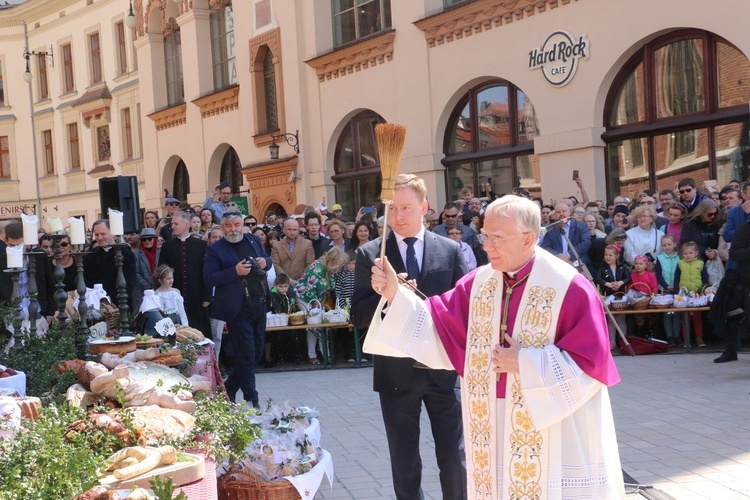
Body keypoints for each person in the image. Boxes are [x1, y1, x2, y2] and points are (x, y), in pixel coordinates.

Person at [367, 194, 625, 499]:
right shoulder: (479, 283)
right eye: (485, 236)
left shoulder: (569, 287)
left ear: (528, 239)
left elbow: (591, 366)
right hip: (488, 417)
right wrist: (397, 294)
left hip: (548, 424)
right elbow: (437, 322)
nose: (487, 246)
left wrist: (527, 362)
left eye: (497, 238)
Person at [352, 174, 468, 500]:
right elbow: (358, 318)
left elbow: (465, 310)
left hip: (443, 372)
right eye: (392, 209)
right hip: (395, 374)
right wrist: (384, 296)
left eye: (406, 208)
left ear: (425, 208)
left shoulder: (451, 250)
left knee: (454, 457)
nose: (398, 217)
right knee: (405, 462)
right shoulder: (371, 255)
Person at [203, 211, 271, 407]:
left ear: (242, 225)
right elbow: (209, 278)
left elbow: (268, 260)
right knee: (246, 355)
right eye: (228, 226)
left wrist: (265, 262)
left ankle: (230, 387)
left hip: (259, 303)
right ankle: (252, 400)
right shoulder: (215, 249)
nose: (233, 229)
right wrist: (235, 271)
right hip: (237, 308)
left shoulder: (252, 240)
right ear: (222, 227)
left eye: (237, 225)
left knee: (256, 353)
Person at [158, 211, 212, 338]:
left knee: (200, 332)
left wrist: (207, 295)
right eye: (172, 224)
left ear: (187, 225)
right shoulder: (167, 246)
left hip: (197, 296)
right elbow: (161, 271)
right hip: (174, 298)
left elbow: (207, 271)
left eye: (176, 224)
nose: (173, 226)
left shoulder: (201, 245)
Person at [295, 248, 350, 364]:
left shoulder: (333, 271)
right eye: (340, 264)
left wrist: (323, 301)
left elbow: (328, 289)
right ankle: (312, 355)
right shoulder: (317, 268)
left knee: (324, 325)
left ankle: (326, 354)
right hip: (305, 297)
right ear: (333, 261)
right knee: (314, 325)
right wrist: (317, 306)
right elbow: (309, 290)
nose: (341, 267)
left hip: (320, 299)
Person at [83, 220, 136, 308]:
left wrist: (110, 302)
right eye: (96, 234)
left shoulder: (126, 254)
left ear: (113, 233)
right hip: (96, 306)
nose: (99, 238)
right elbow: (87, 282)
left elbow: (129, 283)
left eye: (103, 234)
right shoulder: (91, 256)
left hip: (120, 305)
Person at [594, 245, 630, 349]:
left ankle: (623, 340)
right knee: (611, 319)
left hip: (619, 295)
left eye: (610, 255)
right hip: (608, 295)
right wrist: (607, 284)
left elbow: (627, 278)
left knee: (621, 318)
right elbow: (597, 278)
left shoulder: (622, 266)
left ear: (617, 256)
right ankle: (612, 341)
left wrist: (620, 282)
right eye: (606, 254)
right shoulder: (603, 267)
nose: (607, 257)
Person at [674, 241, 709, 347]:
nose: (688, 255)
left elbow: (705, 279)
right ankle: (686, 339)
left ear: (696, 253)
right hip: (683, 294)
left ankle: (699, 338)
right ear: (682, 254)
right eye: (685, 253)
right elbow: (676, 279)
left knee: (697, 317)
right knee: (685, 318)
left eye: (690, 253)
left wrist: (704, 290)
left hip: (697, 294)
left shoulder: (701, 264)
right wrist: (676, 293)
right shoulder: (680, 264)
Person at [540, 201, 592, 266]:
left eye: (564, 211)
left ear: (570, 212)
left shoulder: (581, 226)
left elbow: (585, 244)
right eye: (558, 212)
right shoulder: (551, 229)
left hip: (578, 264)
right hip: (557, 264)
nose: (561, 214)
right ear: (555, 215)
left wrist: (568, 255)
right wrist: (560, 258)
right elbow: (546, 247)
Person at [654, 235, 682, 346]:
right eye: (664, 245)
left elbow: (680, 273)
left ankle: (677, 336)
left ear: (674, 244)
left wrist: (676, 286)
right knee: (667, 314)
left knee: (676, 313)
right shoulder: (660, 258)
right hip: (664, 290)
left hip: (677, 289)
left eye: (669, 244)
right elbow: (659, 275)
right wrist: (665, 286)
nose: (667, 247)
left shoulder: (679, 257)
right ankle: (669, 336)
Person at [271, 217, 315, 286]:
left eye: (295, 230)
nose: (292, 232)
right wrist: (288, 280)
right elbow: (276, 265)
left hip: (303, 283)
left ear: (298, 230)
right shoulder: (276, 246)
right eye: (289, 229)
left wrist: (301, 280)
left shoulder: (307, 244)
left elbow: (310, 264)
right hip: (283, 284)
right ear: (284, 230)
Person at [132, 228, 160, 313]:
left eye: (150, 239)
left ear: (154, 240)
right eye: (144, 239)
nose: (147, 241)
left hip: (158, 290)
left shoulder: (161, 252)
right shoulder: (135, 254)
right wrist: (148, 287)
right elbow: (135, 273)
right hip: (141, 293)